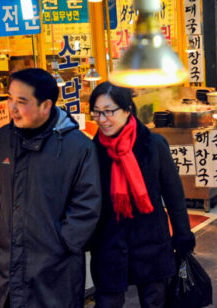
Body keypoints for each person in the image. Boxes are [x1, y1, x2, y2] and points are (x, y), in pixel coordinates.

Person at [0, 68, 101, 308]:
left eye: (22, 101)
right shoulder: (2, 141)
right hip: (10, 263)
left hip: (56, 267)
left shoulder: (77, 147)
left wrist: (63, 242)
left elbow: (88, 204)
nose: (12, 108)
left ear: (46, 106)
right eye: (10, 99)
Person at [87, 82, 195, 308]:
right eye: (96, 112)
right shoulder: (91, 151)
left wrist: (183, 235)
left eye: (109, 111)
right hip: (109, 244)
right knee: (107, 302)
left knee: (154, 301)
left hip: (151, 241)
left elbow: (173, 194)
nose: (102, 119)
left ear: (127, 110)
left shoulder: (153, 144)